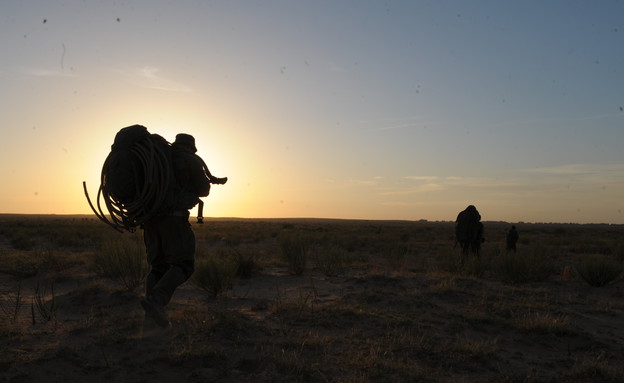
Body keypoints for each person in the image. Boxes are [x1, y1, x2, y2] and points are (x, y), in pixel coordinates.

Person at [140, 133, 227, 327]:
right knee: (184, 265)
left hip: (150, 221)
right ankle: (156, 301)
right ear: (191, 147)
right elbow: (204, 189)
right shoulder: (188, 159)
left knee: (158, 267)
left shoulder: (158, 159)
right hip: (174, 220)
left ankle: (150, 319)